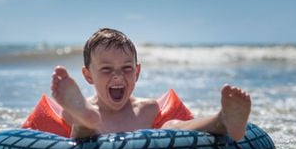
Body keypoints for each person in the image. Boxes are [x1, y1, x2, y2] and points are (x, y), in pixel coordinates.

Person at [50, 28, 251, 140]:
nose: (118, 77)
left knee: (171, 126)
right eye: (106, 69)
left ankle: (222, 120)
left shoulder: (148, 109)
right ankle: (87, 121)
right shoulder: (70, 112)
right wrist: (81, 116)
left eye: (127, 68)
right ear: (88, 76)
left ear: (137, 72)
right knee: (84, 130)